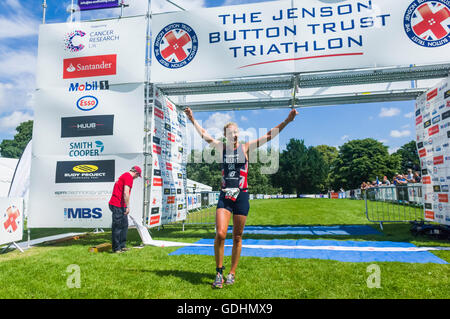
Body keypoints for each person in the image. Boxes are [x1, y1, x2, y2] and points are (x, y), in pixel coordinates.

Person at [184, 106, 298, 288]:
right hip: (225, 196)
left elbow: (268, 136)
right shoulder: (221, 148)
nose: (234, 136)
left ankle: (232, 273)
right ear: (225, 135)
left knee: (237, 236)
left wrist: (287, 121)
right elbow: (204, 135)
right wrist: (192, 119)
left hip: (242, 196)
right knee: (220, 233)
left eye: (236, 133)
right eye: (230, 133)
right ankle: (219, 272)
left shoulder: (245, 147)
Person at [108, 166, 142, 253]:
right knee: (117, 227)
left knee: (124, 226)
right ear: (136, 173)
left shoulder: (125, 175)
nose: (136, 178)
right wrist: (127, 206)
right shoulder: (129, 177)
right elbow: (126, 193)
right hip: (117, 205)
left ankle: (122, 246)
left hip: (119, 205)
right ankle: (116, 248)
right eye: (137, 176)